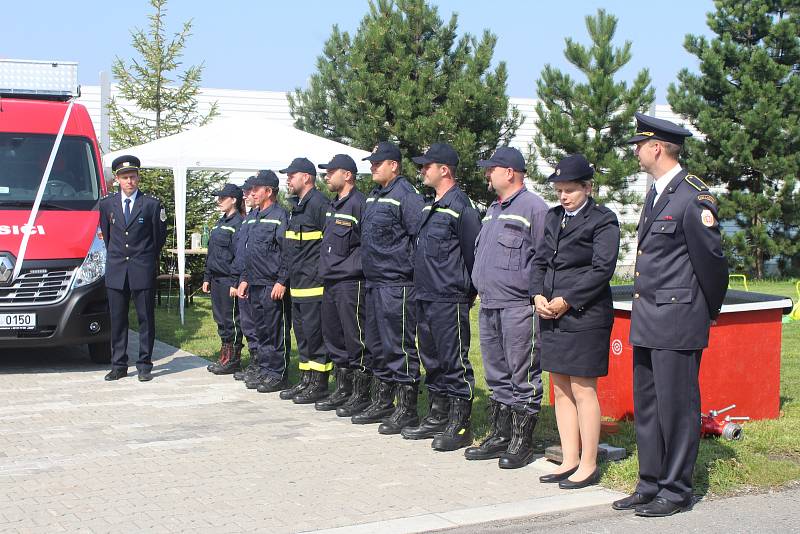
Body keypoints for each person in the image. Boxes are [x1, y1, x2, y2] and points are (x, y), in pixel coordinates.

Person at [612, 113, 728, 517]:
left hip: (678, 320)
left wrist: (706, 311)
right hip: (649, 318)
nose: (636, 152)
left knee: (676, 408)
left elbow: (712, 262)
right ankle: (650, 482)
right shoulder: (658, 193)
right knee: (648, 406)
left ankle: (677, 489)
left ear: (656, 148)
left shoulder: (692, 196)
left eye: (639, 145)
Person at [530, 154, 620, 489]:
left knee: (583, 388)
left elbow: (602, 269)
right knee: (561, 387)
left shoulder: (603, 220)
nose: (564, 196)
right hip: (551, 313)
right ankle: (568, 458)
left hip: (584, 314)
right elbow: (540, 260)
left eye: (570, 190)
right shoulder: (554, 218)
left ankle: (588, 462)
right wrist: (536, 295)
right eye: (559, 190)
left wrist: (567, 300)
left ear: (588, 187)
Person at [466, 147, 548, 468]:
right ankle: (500, 434)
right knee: (497, 374)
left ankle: (522, 442)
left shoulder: (534, 208)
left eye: (492, 169)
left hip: (518, 308)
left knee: (523, 374)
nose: (488, 174)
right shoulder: (493, 209)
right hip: (489, 304)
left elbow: (544, 259)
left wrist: (537, 295)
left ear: (509, 172)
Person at [400, 143, 481, 451]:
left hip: (449, 296)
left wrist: (468, 291)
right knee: (431, 359)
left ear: (444, 170)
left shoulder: (461, 206)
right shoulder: (429, 205)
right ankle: (438, 415)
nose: (422, 170)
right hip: (425, 295)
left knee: (454, 361)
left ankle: (460, 425)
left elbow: (473, 253)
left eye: (427, 166)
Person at [353, 141, 424, 426]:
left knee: (399, 346)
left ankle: (406, 408)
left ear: (393, 165)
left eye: (377, 163)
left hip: (398, 285)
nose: (372, 167)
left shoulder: (406, 196)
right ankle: (382, 401)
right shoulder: (374, 196)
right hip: (373, 282)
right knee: (376, 345)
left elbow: (419, 238)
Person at [100, 155, 167, 382]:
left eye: (133, 177)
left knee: (145, 318)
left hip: (141, 268)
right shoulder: (107, 204)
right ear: (117, 179)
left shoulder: (151, 205)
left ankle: (144, 364)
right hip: (117, 269)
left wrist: (145, 259)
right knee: (118, 319)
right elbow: (108, 237)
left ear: (138, 178)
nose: (130, 181)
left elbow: (158, 239)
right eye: (125, 177)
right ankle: (119, 364)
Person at [314, 154, 372, 413]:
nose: (327, 176)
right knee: (334, 337)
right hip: (330, 281)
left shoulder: (359, 204)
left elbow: (367, 245)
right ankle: (343, 389)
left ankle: (361, 394)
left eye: (331, 171)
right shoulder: (332, 205)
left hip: (351, 282)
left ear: (347, 175)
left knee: (355, 338)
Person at [277, 157, 332, 404]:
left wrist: (320, 275)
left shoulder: (319, 204)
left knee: (315, 336)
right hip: (297, 285)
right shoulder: (297, 206)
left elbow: (330, 245)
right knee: (303, 337)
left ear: (306, 177)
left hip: (314, 285)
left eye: (292, 175)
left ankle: (319, 385)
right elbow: (291, 249)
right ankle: (305, 381)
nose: (288, 179)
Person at [235, 170, 293, 393]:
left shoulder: (280, 216)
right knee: (262, 331)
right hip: (255, 282)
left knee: (275, 330)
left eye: (257, 189)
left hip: (272, 284)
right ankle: (266, 369)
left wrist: (282, 280)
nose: (252, 193)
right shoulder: (256, 216)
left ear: (269, 191)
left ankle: (278, 373)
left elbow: (287, 253)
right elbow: (250, 252)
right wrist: (245, 279)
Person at [203, 183, 246, 375]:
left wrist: (236, 282)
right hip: (216, 279)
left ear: (234, 200)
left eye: (223, 197)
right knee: (220, 319)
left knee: (231, 320)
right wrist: (207, 277)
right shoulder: (221, 222)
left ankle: (233, 358)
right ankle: (225, 354)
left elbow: (239, 256)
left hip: (229, 280)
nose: (219, 201)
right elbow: (212, 252)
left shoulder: (238, 224)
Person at [229, 177, 263, 382]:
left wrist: (247, 279)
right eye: (246, 192)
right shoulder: (250, 217)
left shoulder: (266, 216)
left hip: (255, 279)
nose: (247, 196)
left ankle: (262, 365)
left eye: (251, 191)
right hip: (244, 278)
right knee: (248, 325)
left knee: (259, 327)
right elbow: (242, 252)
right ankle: (255, 362)